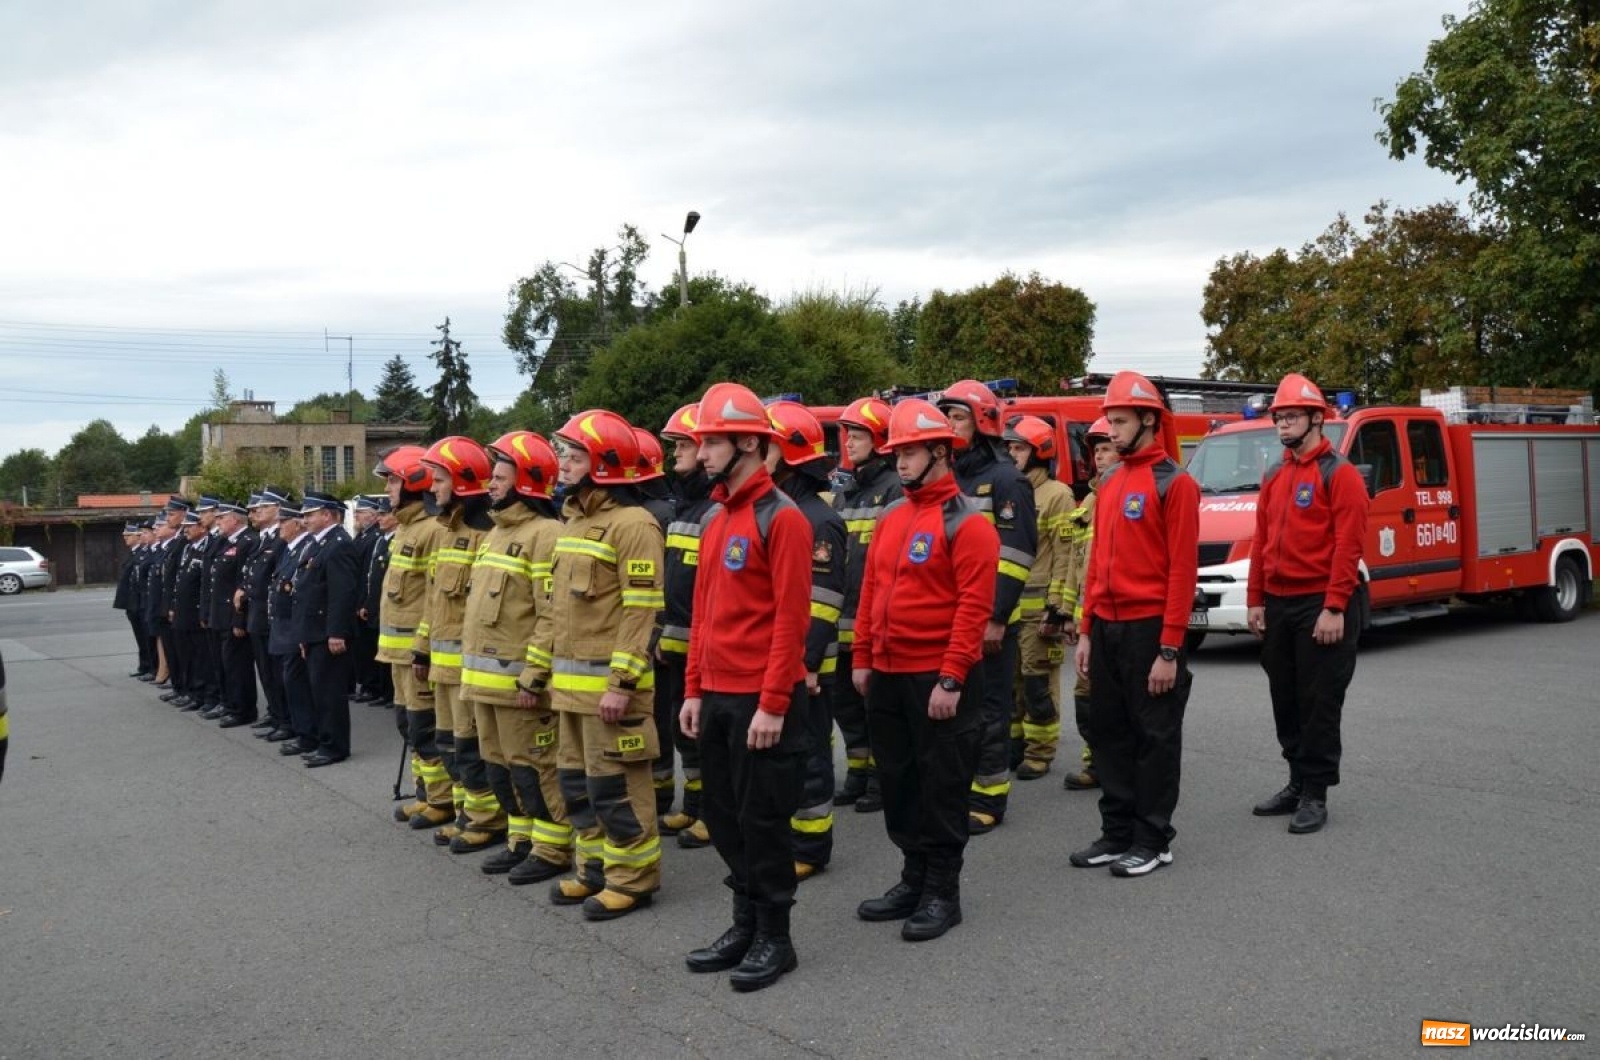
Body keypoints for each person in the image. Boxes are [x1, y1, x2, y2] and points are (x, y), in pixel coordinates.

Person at [677, 383, 814, 992]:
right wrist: (693, 690)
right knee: (726, 819)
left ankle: (775, 938)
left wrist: (774, 702)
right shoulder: (715, 518)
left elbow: (792, 619)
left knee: (763, 822)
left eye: (711, 441)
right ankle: (744, 923)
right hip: (717, 698)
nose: (702, 452)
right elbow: (703, 614)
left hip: (762, 701)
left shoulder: (782, 518)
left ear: (751, 443)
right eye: (701, 442)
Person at [851, 399, 998, 942]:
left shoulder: (968, 523)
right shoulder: (892, 517)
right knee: (900, 782)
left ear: (940, 451)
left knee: (942, 787)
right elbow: (870, 592)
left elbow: (972, 608)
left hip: (937, 678)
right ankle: (913, 878)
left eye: (910, 452)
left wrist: (951, 677)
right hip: (888, 674)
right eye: (898, 453)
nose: (901, 462)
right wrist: (863, 656)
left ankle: (942, 891)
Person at [525, 409, 665, 922]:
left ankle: (633, 879)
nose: (562, 462)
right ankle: (594, 869)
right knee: (578, 786)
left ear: (605, 464)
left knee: (619, 789)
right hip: (569, 691)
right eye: (563, 452)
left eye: (575, 454)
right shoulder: (574, 522)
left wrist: (622, 682)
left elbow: (641, 608)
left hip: (610, 693)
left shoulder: (635, 525)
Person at [1070, 371, 1199, 877]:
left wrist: (1169, 650)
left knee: (1155, 736)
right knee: (1109, 733)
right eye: (1110, 421)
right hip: (1106, 626)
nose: (1111, 431)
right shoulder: (1111, 481)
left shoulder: (1175, 483)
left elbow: (1181, 572)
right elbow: (1097, 562)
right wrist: (1085, 630)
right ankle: (1116, 832)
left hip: (1149, 628)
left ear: (1149, 420)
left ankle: (1152, 838)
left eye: (1120, 421)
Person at [1247, 373, 1368, 835]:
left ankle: (1316, 793)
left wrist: (1335, 606)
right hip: (1278, 605)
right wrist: (1256, 599)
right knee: (1286, 699)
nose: (1282, 423)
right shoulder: (1276, 474)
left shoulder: (1340, 475)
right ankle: (1296, 781)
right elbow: (1260, 542)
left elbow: (1347, 546)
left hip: (1321, 603)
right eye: (1278, 416)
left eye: (1291, 415)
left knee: (1319, 702)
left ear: (1318, 419)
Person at [462, 431, 573, 882]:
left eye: (500, 477)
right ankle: (521, 839)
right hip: (485, 682)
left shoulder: (546, 534)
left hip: (518, 685)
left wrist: (534, 674)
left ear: (525, 481)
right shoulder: (494, 534)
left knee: (534, 768)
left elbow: (551, 614)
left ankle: (551, 847)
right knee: (500, 766)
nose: (490, 484)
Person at [936, 380, 1036, 834]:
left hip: (992, 621)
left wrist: (996, 617)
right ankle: (962, 787)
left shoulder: (1006, 479)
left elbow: (1015, 555)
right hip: (952, 620)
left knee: (990, 710)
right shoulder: (949, 476)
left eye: (956, 417)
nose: (948, 425)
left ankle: (990, 798)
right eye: (947, 416)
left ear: (982, 423)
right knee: (956, 712)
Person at [764, 400, 847, 882]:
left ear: (790, 454)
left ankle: (812, 845)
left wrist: (809, 663)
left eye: (769, 448)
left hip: (809, 664)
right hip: (782, 660)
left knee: (811, 751)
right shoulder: (782, 511)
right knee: (788, 754)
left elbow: (822, 603)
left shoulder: (818, 519)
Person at [414, 437, 502, 851]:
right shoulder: (447, 534)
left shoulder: (486, 535)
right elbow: (435, 601)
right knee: (450, 743)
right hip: (443, 666)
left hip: (471, 667)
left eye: (440, 479)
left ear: (464, 483)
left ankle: (486, 820)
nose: (432, 487)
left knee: (471, 746)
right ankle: (468, 813)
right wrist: (422, 647)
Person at [830, 396, 901, 814]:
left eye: (857, 435)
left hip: (873, 617)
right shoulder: (848, 490)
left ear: (879, 440)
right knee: (846, 703)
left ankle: (879, 777)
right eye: (847, 435)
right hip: (844, 615)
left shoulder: (892, 488)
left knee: (875, 703)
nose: (849, 443)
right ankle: (858, 772)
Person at [654, 404, 719, 850]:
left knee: (710, 734)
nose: (674, 454)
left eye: (682, 445)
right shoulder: (687, 506)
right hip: (678, 642)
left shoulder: (713, 509)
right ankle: (695, 805)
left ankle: (714, 811)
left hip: (705, 646)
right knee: (686, 732)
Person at [373, 447, 447, 830]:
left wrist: (424, 648)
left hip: (419, 655)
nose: (387, 489)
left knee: (425, 728)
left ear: (414, 483)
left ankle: (441, 800)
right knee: (409, 726)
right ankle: (425, 794)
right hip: (398, 655)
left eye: (392, 480)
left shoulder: (432, 531)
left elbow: (436, 599)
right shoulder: (406, 527)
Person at [1002, 415, 1076, 780]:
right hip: (1011, 608)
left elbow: (1065, 552)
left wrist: (1059, 608)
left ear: (1040, 452)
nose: (1012, 453)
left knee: (1037, 682)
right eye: (1010, 447)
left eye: (1019, 448)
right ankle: (1015, 747)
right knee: (1012, 684)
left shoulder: (1057, 494)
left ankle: (1041, 751)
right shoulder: (1012, 492)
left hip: (1040, 609)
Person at [1061, 417, 1116, 791]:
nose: (1100, 457)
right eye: (1095, 450)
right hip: (1087, 620)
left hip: (1116, 619)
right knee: (1085, 695)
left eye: (1106, 448)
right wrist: (1067, 613)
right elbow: (1074, 561)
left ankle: (1117, 763)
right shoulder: (1090, 500)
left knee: (1115, 699)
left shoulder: (1123, 496)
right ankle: (1095, 761)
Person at [293, 491, 359, 767]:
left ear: (328, 515)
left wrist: (337, 632)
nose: (305, 519)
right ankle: (325, 741)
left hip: (327, 632)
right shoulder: (318, 544)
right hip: (314, 629)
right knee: (318, 690)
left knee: (329, 692)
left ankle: (334, 747)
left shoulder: (338, 544)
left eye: (310, 514)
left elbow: (342, 594)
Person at [269, 503, 321, 756]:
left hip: (294, 626)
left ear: (297, 523)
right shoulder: (290, 549)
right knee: (290, 681)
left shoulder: (305, 548)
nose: (279, 527)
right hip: (284, 625)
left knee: (297, 682)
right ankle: (302, 730)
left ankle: (307, 734)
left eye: (283, 522)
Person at [204, 502, 259, 728]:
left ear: (235, 519)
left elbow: (241, 584)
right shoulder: (224, 542)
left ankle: (242, 709)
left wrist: (239, 618)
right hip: (219, 614)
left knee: (237, 666)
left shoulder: (247, 542)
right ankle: (229, 704)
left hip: (232, 614)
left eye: (221, 518)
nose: (217, 522)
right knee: (223, 664)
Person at [244, 490, 292, 741]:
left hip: (270, 614)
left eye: (262, 507)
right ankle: (275, 713)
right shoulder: (261, 539)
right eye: (254, 509)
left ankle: (285, 719)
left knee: (277, 671)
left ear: (278, 508)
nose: (255, 512)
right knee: (265, 670)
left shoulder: (281, 540)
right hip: (257, 613)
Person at [356, 497, 395, 709]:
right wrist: (366, 603)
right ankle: (381, 690)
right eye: (378, 514)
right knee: (376, 650)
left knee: (388, 652)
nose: (379, 518)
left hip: (387, 605)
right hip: (373, 604)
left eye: (383, 514)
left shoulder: (395, 540)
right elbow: (370, 576)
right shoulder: (381, 540)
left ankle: (389, 693)